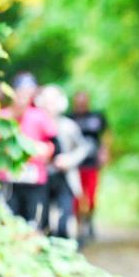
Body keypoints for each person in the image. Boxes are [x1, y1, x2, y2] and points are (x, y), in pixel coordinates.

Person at [0, 72, 57, 229]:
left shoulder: (40, 116)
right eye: (21, 92)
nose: (24, 96)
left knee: (33, 224)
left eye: (29, 92)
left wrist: (45, 151)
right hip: (9, 180)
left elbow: (53, 145)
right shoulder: (2, 117)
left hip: (34, 179)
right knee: (9, 222)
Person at [35, 85, 93, 240]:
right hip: (41, 179)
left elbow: (83, 147)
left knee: (64, 220)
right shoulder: (35, 124)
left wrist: (69, 160)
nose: (50, 105)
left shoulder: (68, 126)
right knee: (42, 220)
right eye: (47, 101)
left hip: (65, 178)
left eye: (53, 101)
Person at [69, 91, 110, 243]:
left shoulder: (96, 117)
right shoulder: (69, 118)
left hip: (92, 163)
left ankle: (90, 221)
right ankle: (79, 226)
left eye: (83, 101)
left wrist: (105, 152)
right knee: (76, 197)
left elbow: (106, 135)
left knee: (91, 195)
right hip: (74, 165)